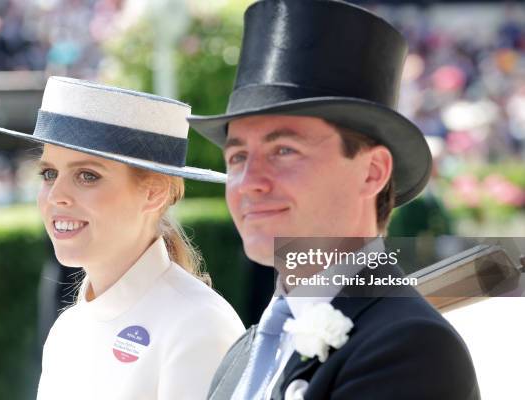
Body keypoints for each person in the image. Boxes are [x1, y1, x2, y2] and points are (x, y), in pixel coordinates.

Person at [188, 1, 480, 399]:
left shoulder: (412, 349)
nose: (249, 182)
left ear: (372, 171)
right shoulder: (243, 352)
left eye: (284, 150)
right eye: (238, 157)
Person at [0, 76, 245, 399]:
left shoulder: (198, 326)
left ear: (155, 192)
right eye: (49, 173)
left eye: (87, 176)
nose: (56, 195)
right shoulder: (67, 331)